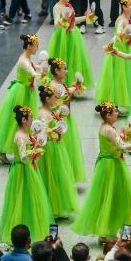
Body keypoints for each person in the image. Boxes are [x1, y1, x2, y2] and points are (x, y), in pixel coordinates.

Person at [73, 102, 131, 238]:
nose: (117, 113)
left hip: (106, 163)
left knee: (105, 196)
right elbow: (122, 147)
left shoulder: (105, 127)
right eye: (115, 111)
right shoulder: (109, 130)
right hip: (112, 166)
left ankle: (106, 228)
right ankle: (109, 230)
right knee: (114, 195)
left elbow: (116, 142)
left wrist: (126, 132)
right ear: (108, 115)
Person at [0, 34, 42, 160]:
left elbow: (33, 68)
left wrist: (40, 68)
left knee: (24, 119)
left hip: (27, 91)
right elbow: (30, 71)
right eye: (36, 46)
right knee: (14, 121)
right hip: (20, 92)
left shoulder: (27, 58)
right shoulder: (23, 60)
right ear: (29, 46)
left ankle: (24, 145)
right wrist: (39, 75)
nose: (37, 48)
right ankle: (5, 150)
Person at [0, 105, 54, 243]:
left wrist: (36, 141)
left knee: (28, 198)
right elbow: (24, 157)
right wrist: (35, 149)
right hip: (22, 172)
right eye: (30, 118)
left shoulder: (26, 133)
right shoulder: (20, 136)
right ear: (24, 120)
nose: (32, 120)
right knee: (22, 198)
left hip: (29, 169)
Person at [37, 84, 78, 218]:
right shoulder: (44, 114)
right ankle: (53, 207)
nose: (56, 99)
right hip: (50, 148)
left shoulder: (49, 110)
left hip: (55, 145)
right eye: (54, 97)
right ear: (48, 99)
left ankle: (55, 205)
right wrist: (54, 130)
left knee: (56, 174)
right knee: (52, 174)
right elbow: (42, 131)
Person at [50, 0, 95, 86]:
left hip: (73, 35)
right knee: (63, 58)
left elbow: (73, 21)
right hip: (62, 37)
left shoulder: (69, 6)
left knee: (73, 58)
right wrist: (63, 18)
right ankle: (60, 84)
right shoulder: (57, 7)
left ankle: (71, 84)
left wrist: (86, 17)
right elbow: (56, 24)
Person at [96, 0, 131, 108]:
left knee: (124, 75)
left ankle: (120, 103)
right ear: (124, 7)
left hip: (125, 48)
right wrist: (123, 33)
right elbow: (118, 33)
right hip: (118, 50)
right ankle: (114, 102)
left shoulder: (129, 19)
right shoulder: (121, 20)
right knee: (119, 75)